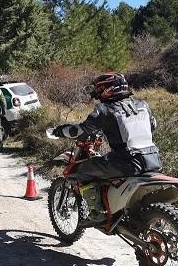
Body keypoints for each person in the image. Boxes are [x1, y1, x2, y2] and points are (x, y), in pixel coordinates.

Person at [52, 72, 162, 226]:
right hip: (153, 159)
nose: (97, 93)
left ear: (108, 89)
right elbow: (153, 126)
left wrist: (61, 130)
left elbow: (81, 131)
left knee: (82, 170)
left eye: (99, 89)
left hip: (126, 162)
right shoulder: (143, 105)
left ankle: (96, 212)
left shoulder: (104, 109)